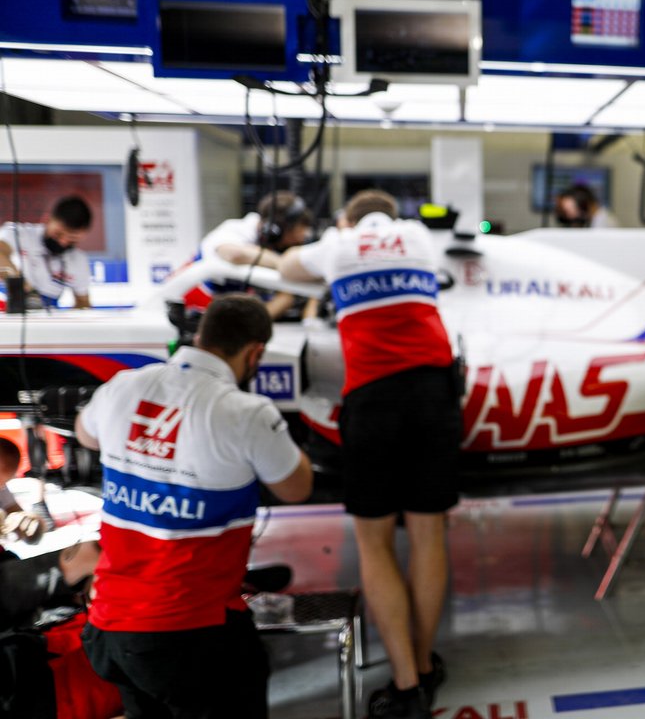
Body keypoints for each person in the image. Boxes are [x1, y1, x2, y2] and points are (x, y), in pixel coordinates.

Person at [74, 294, 313, 719]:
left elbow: (85, 434)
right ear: (255, 352)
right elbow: (297, 488)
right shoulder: (244, 412)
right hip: (190, 635)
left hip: (110, 628)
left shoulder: (125, 385)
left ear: (200, 336)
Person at [280, 189, 460, 719]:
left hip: (374, 399)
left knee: (374, 540)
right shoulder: (420, 237)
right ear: (395, 219)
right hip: (434, 391)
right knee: (429, 536)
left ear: (346, 220)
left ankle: (406, 688)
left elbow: (289, 263)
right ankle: (425, 667)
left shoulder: (338, 243)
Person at [183, 191, 313, 319]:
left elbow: (285, 297)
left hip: (219, 316)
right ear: (275, 230)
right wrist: (285, 264)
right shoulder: (236, 229)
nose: (301, 238)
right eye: (298, 231)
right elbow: (234, 254)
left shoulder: (273, 246)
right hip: (187, 306)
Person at [0, 195, 93, 309]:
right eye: (58, 234)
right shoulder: (17, 233)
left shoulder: (79, 260)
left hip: (46, 318)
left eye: (72, 240)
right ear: (47, 220)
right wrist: (23, 288)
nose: (62, 242)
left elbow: (83, 303)